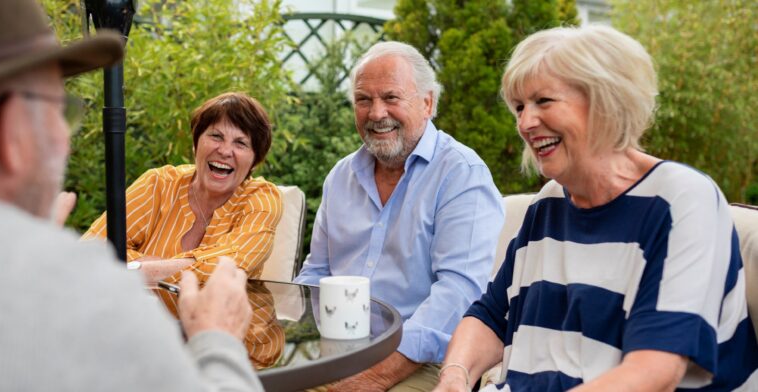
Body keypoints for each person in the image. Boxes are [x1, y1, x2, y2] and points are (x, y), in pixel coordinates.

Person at [0, 1, 263, 390]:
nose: (66, 141)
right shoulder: (76, 289)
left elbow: (114, 254)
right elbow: (104, 250)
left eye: (240, 143)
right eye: (60, 112)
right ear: (10, 129)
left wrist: (127, 265)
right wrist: (219, 340)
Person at [434, 25, 758, 392]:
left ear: (605, 102)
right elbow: (492, 318)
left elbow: (654, 372)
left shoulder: (680, 201)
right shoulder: (549, 203)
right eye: (520, 107)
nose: (524, 123)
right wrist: (455, 376)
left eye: (543, 101)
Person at [294, 41, 505, 391]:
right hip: (337, 352)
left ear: (428, 103)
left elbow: (460, 292)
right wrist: (295, 338)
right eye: (364, 100)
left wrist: (376, 375)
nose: (376, 113)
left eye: (391, 97)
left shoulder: (461, 174)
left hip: (424, 361)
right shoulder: (340, 176)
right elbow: (318, 274)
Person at [82, 92, 283, 367]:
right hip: (145, 343)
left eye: (241, 143)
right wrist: (163, 269)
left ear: (254, 160)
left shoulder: (261, 198)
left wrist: (140, 270)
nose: (225, 150)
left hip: (234, 350)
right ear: (196, 143)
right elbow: (92, 250)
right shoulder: (159, 184)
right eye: (215, 136)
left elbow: (232, 265)